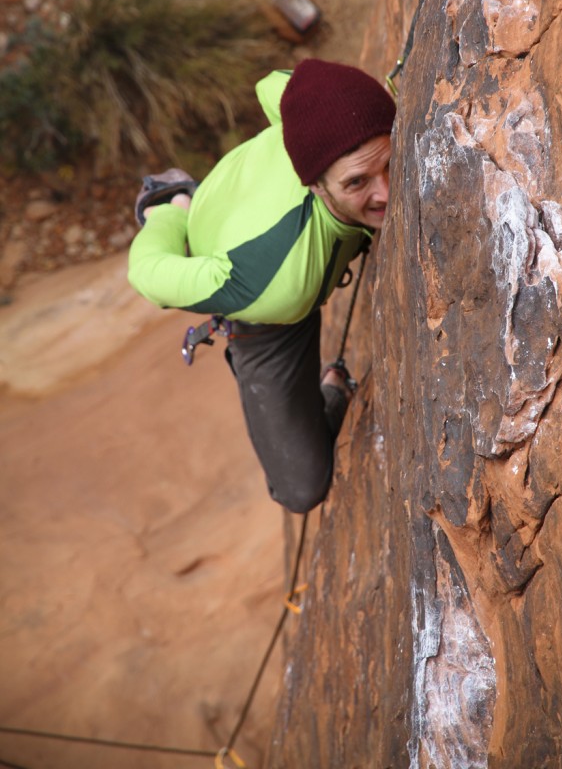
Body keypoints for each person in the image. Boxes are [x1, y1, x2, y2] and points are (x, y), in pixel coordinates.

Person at [128, 58, 395, 514]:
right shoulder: (271, 282)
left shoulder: (312, 111)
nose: (386, 193)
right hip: (256, 292)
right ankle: (173, 193)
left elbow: (273, 84)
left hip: (250, 199)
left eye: (390, 165)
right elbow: (148, 274)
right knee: (300, 488)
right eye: (357, 182)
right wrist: (171, 215)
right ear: (316, 185)